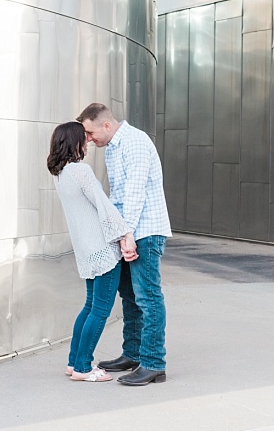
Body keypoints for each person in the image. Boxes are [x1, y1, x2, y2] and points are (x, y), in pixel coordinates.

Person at [76, 102, 171, 385]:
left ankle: (154, 363)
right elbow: (117, 196)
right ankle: (132, 353)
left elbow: (134, 194)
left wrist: (125, 235)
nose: (90, 140)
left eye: (91, 133)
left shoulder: (135, 142)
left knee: (148, 297)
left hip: (144, 233)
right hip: (128, 233)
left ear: (106, 124)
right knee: (129, 297)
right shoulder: (114, 148)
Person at [48, 121, 138, 382]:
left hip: (86, 251)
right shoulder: (81, 171)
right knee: (99, 309)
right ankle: (83, 368)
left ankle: (73, 362)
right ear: (74, 143)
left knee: (89, 307)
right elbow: (104, 206)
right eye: (83, 139)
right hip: (103, 250)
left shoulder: (61, 174)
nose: (87, 142)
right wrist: (126, 235)